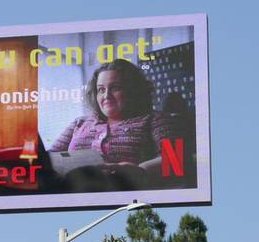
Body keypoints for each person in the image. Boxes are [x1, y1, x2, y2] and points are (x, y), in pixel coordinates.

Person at [50, 59, 181, 175]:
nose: (106, 95)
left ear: (133, 90)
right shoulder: (79, 122)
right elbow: (50, 157)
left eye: (115, 88)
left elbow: (176, 160)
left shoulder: (156, 119)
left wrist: (141, 170)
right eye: (101, 89)